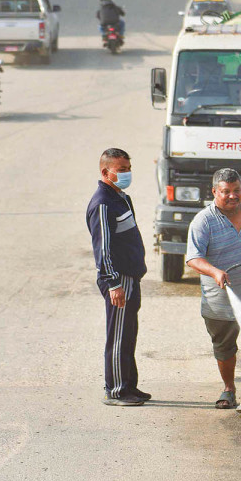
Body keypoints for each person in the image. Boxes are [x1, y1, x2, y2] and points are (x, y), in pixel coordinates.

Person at [185, 168, 241, 415]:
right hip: (220, 300)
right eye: (226, 192)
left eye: (237, 190)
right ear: (215, 192)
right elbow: (193, 258)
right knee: (225, 348)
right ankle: (229, 389)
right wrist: (215, 272)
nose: (233, 196)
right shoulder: (203, 221)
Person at [86, 148, 150, 406]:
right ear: (105, 172)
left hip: (131, 276)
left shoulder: (120, 197)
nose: (127, 174)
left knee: (128, 333)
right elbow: (103, 247)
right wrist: (112, 282)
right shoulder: (102, 203)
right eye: (121, 170)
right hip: (118, 278)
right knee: (118, 336)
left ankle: (129, 386)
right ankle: (115, 391)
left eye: (128, 168)